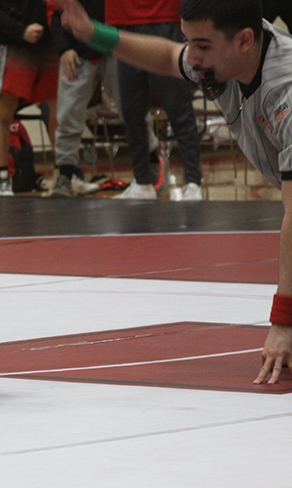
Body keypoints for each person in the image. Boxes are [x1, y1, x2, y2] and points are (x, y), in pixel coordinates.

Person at [54, 0, 292, 382]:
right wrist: (95, 33)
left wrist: (283, 320)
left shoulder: (286, 91)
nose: (191, 57)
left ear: (245, 39)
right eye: (189, 42)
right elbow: (167, 57)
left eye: (201, 45)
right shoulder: (231, 55)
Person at [105, 0, 204, 201]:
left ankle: (193, 182)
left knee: (179, 108)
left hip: (164, 16)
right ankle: (142, 182)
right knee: (131, 110)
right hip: (126, 21)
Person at [0, 0, 60, 196]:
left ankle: (63, 172)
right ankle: (2, 176)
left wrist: (55, 27)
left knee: (58, 110)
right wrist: (20, 30)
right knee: (4, 111)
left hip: (48, 41)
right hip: (14, 43)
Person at [49, 0, 117, 197]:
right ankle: (65, 175)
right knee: (68, 112)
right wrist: (63, 49)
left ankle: (150, 164)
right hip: (76, 50)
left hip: (115, 45)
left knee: (130, 107)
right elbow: (56, 15)